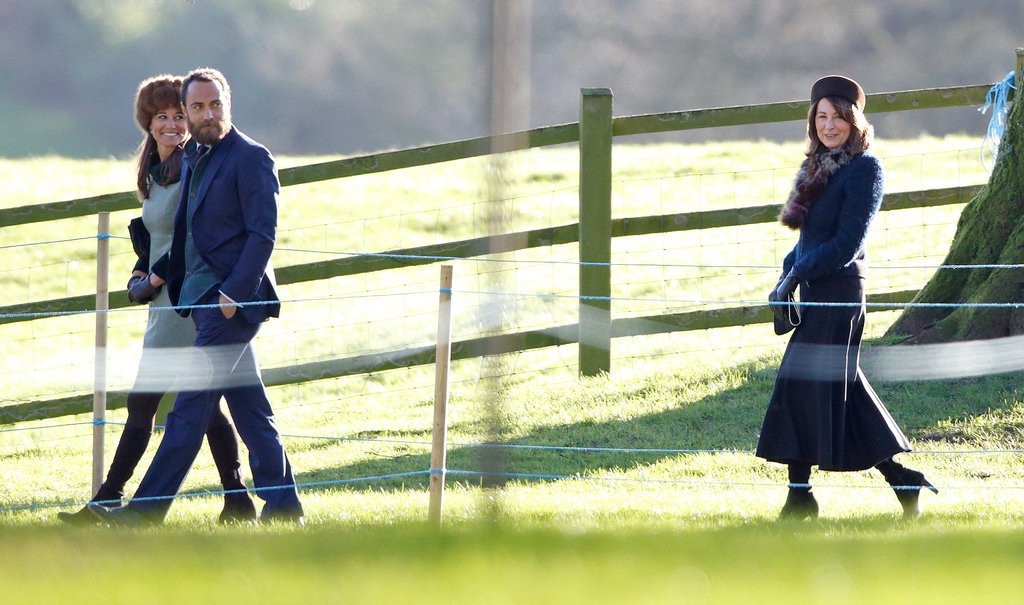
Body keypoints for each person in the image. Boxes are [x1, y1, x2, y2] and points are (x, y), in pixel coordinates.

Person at [88, 67, 304, 525]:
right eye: (198, 107)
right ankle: (285, 508)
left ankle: (142, 515)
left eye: (216, 104)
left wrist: (232, 296)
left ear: (228, 103)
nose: (208, 114)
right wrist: (162, 283)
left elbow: (263, 235)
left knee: (187, 411)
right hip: (200, 301)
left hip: (232, 305)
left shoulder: (251, 157)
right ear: (187, 112)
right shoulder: (194, 158)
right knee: (251, 411)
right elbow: (183, 232)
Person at [59, 75, 256, 526]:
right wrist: (140, 274)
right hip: (164, 301)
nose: (171, 125)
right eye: (161, 117)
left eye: (177, 115)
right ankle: (237, 498)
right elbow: (156, 237)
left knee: (147, 402)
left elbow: (194, 235)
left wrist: (155, 277)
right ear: (147, 123)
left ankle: (109, 498)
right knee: (203, 406)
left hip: (185, 299)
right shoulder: (157, 170)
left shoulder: (195, 167)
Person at [756, 75, 937, 521]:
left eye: (838, 116)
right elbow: (808, 240)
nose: (829, 125)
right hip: (816, 288)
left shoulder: (866, 169)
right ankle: (903, 480)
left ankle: (800, 499)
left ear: (855, 121)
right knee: (842, 388)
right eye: (821, 116)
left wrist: (798, 273)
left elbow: (848, 242)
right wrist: (786, 275)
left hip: (840, 294)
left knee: (800, 382)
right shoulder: (816, 166)